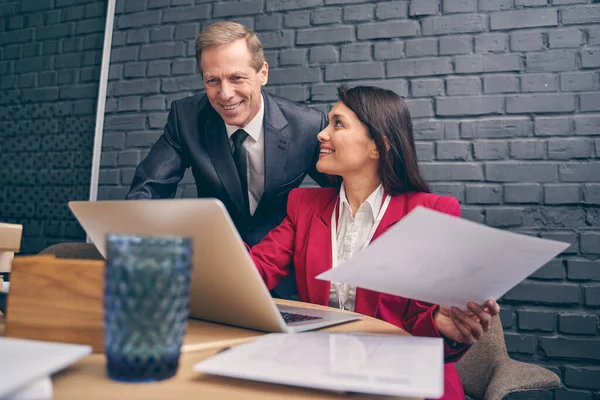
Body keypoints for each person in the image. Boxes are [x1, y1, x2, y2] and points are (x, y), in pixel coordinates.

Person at [247, 85, 500, 400]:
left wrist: (441, 324)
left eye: (337, 124)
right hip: (323, 375)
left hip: (402, 383)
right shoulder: (305, 205)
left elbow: (423, 328)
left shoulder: (431, 213)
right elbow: (253, 273)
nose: (321, 135)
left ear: (377, 146)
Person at [126, 21, 328, 298]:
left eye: (237, 78)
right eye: (213, 80)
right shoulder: (186, 118)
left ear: (263, 73)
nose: (225, 94)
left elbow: (348, 193)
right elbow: (148, 190)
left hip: (284, 280)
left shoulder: (307, 125)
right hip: (213, 275)